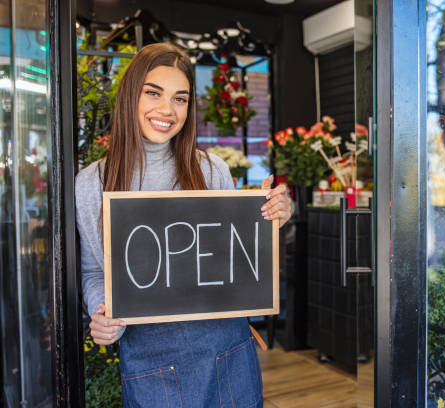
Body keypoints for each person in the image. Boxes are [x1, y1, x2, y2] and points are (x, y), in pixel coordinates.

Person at [76, 42, 292, 407]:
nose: (167, 109)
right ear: (130, 95)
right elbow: (93, 271)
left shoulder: (212, 170)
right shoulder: (90, 183)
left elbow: (236, 258)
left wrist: (273, 215)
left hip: (229, 348)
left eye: (180, 98)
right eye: (153, 93)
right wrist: (102, 314)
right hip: (150, 356)